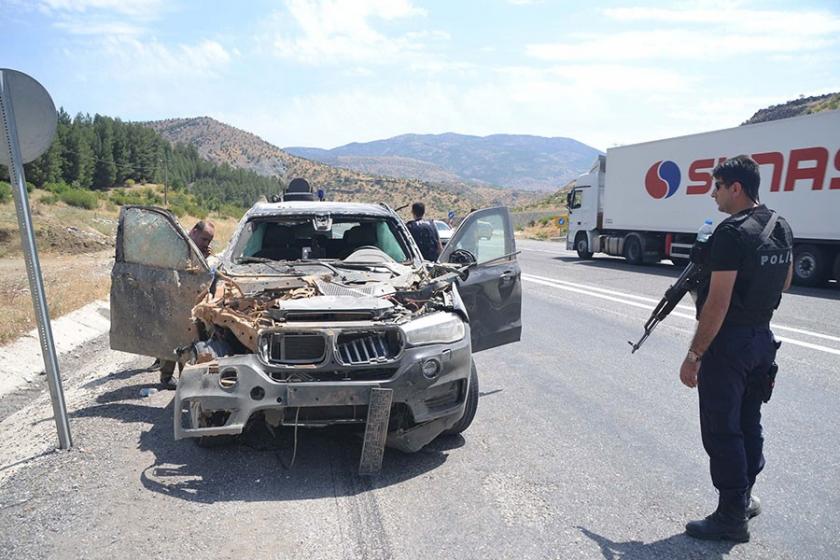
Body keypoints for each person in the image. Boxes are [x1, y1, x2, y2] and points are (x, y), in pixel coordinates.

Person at [680, 155, 793, 542]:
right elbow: (786, 282)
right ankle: (743, 498)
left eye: (717, 186)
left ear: (736, 188)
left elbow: (718, 302)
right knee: (749, 421)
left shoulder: (731, 233)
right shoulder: (781, 224)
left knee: (721, 427)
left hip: (730, 344)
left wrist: (694, 355)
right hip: (762, 338)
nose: (713, 194)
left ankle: (731, 516)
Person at [155, 220, 217, 389]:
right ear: (194, 231)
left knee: (189, 338)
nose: (206, 243)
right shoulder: (179, 246)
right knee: (173, 337)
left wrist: (205, 258)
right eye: (204, 239)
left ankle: (185, 377)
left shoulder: (198, 250)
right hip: (174, 297)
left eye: (209, 241)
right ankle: (167, 377)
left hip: (191, 299)